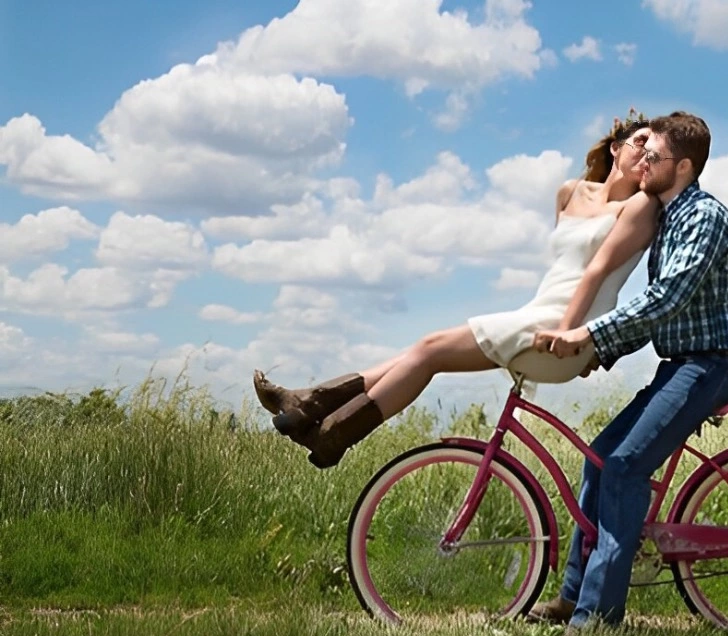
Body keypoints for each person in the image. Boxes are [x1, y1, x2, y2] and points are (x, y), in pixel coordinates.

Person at [251, 111, 660, 469]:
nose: (645, 156)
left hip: (565, 329)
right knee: (423, 350)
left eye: (655, 154)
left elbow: (596, 274)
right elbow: (562, 271)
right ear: (616, 147)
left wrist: (574, 335)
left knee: (429, 351)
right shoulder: (569, 193)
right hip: (540, 313)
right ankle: (313, 406)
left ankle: (330, 429)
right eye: (640, 143)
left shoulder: (639, 207)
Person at [526, 111, 728, 633]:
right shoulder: (669, 218)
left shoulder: (701, 217)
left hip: (713, 364)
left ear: (680, 166)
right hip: (682, 363)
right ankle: (572, 597)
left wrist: (589, 335)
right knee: (599, 460)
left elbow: (666, 298)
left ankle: (596, 621)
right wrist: (598, 353)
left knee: (625, 468)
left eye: (651, 156)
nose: (642, 165)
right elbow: (662, 312)